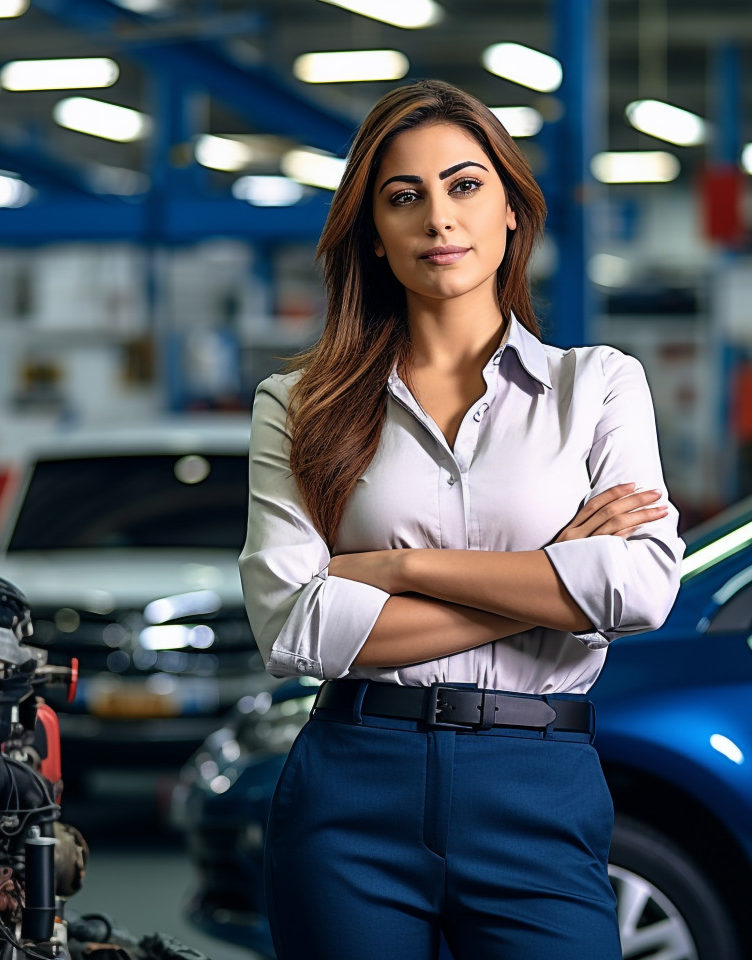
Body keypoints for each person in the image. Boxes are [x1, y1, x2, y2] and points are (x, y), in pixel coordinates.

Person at [239, 79, 685, 960]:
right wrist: (556, 573)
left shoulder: (595, 386)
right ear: (373, 231)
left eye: (465, 185)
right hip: (354, 788)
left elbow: (638, 585)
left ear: (514, 209)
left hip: (538, 783)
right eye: (404, 197)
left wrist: (397, 570)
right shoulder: (298, 406)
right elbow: (293, 625)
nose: (438, 218)